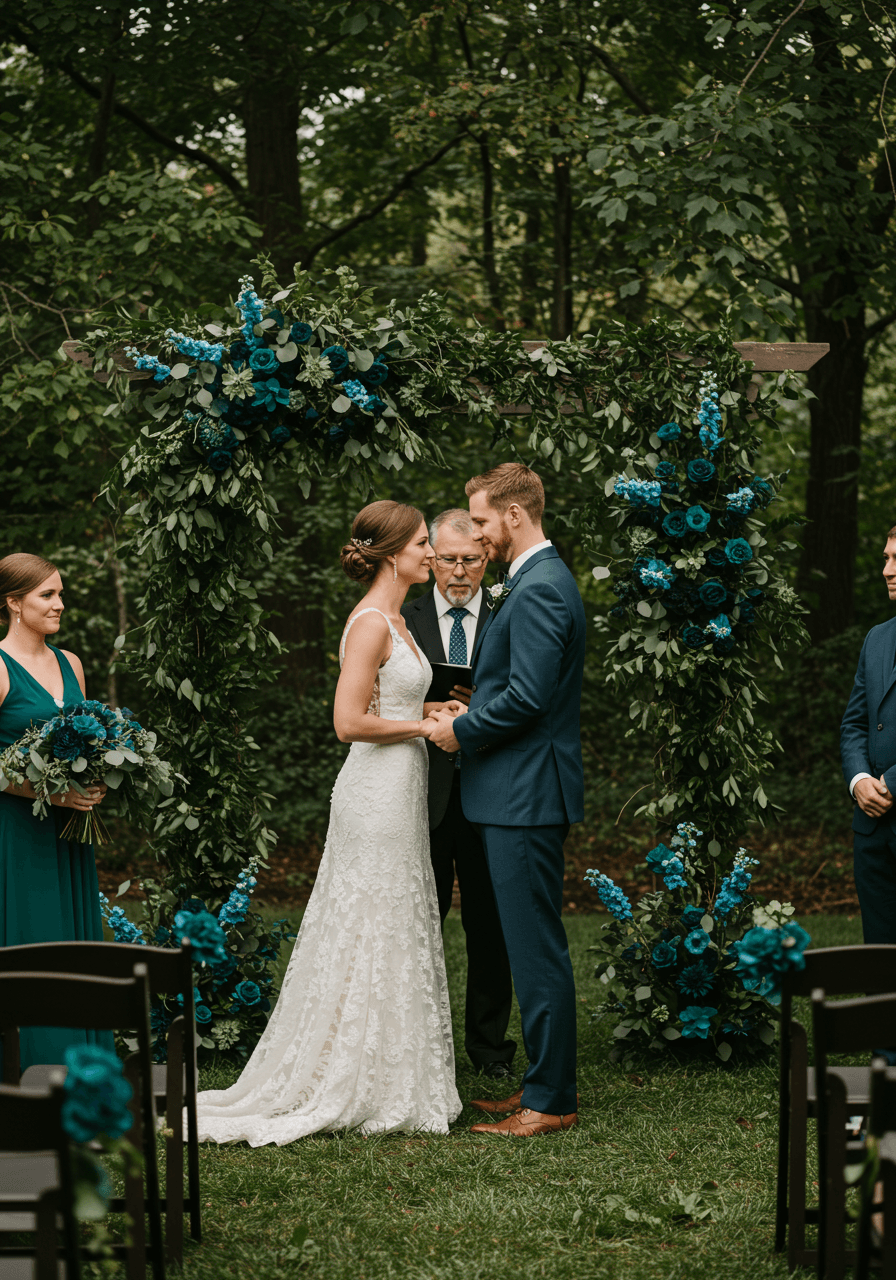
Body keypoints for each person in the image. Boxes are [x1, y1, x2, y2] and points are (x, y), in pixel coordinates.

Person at [193, 501, 462, 1145]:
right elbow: (348, 722)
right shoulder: (371, 622)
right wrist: (424, 726)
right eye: (423, 543)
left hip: (400, 785)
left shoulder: (398, 618)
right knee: (368, 917)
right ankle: (348, 1076)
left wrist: (432, 703)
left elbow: (386, 699)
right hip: (374, 789)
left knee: (395, 917)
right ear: (394, 553)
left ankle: (390, 1069)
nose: (431, 553)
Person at [428, 463, 586, 1138]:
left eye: (484, 521)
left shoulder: (543, 587)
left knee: (535, 950)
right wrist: (474, 702)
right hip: (513, 791)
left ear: (515, 516)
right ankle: (538, 1087)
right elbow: (517, 687)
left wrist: (460, 731)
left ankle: (549, 1102)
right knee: (530, 947)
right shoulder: (530, 582)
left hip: (524, 795)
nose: (480, 533)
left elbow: (531, 698)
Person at [401, 508, 516, 1081]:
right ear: (432, 560)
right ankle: (425, 1042)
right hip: (423, 791)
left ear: (486, 559)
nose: (459, 571)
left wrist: (481, 712)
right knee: (420, 920)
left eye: (471, 559)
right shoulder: (404, 616)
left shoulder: (507, 615)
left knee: (490, 925)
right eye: (448, 559)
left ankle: (490, 1049)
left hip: (491, 788)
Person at [0, 553, 109, 1069]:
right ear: (14, 603)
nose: (59, 604)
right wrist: (49, 793)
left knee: (71, 946)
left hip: (68, 833)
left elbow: (92, 742)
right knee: (31, 939)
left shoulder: (71, 664)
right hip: (17, 836)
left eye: (60, 593)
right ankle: (30, 1075)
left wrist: (99, 780)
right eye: (47, 595)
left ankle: (82, 1075)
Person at [840, 526, 896, 945]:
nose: (886, 570)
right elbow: (855, 723)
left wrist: (891, 784)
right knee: (878, 956)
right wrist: (859, 780)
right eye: (885, 557)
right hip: (872, 829)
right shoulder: (876, 638)